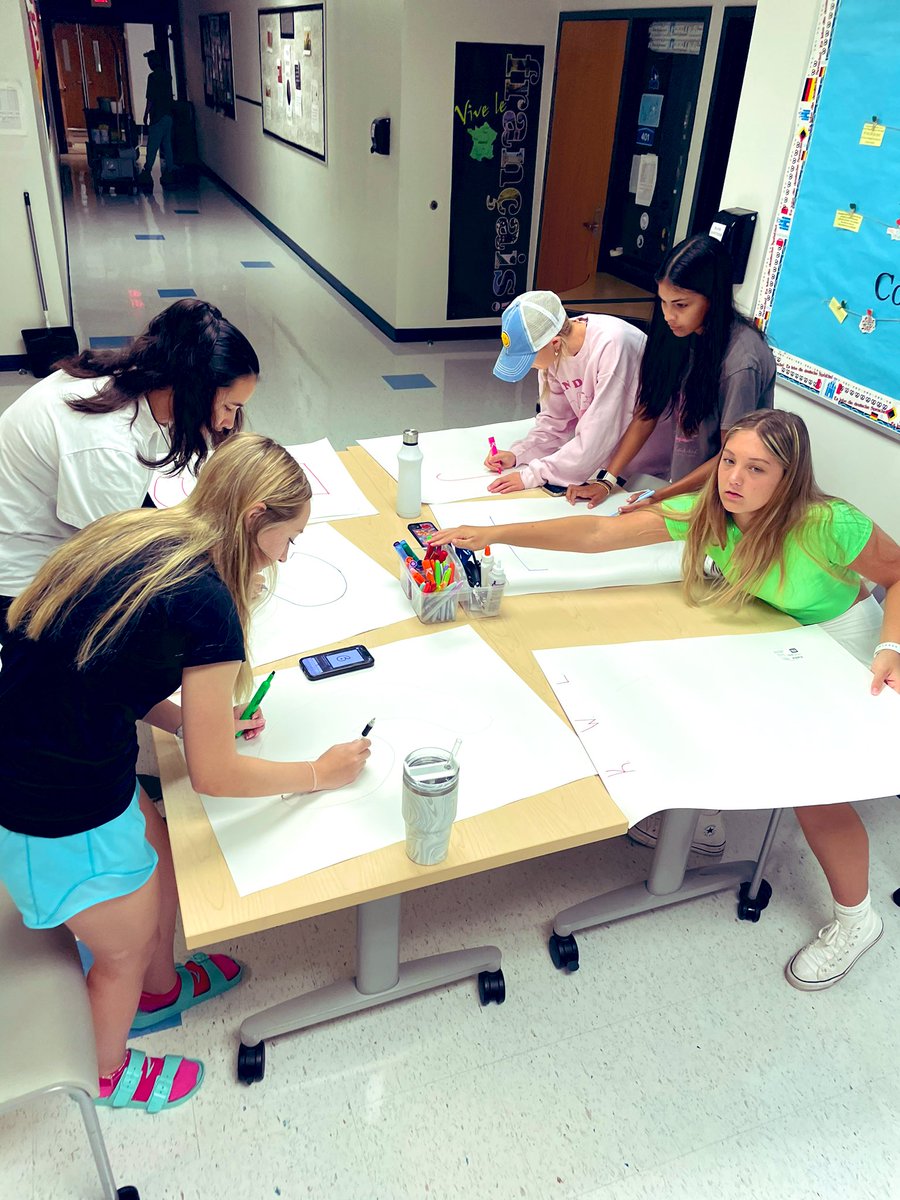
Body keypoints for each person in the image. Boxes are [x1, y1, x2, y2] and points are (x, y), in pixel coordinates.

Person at [431, 410, 900, 992]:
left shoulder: (829, 523)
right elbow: (600, 534)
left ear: (789, 477)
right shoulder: (710, 511)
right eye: (729, 460)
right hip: (786, 636)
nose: (734, 479)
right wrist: (493, 533)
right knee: (713, 697)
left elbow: (899, 573)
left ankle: (858, 920)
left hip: (848, 640)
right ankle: (704, 821)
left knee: (817, 789)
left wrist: (891, 645)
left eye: (757, 469)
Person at [0, 433, 371, 1111]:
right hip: (49, 805)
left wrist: (187, 719)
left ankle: (161, 987)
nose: (286, 556)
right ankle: (107, 1068)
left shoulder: (142, 532)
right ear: (257, 515)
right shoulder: (206, 601)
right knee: (121, 948)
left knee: (158, 852)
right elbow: (214, 775)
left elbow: (106, 664)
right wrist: (318, 772)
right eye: (287, 539)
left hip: (47, 753)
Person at [0, 298, 259, 633]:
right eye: (229, 406)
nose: (228, 422)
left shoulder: (135, 378)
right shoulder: (108, 446)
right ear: (193, 388)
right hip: (22, 585)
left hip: (58, 533)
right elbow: (112, 568)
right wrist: (224, 587)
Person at [566, 234, 775, 512]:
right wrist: (607, 480)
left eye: (681, 305)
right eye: (663, 302)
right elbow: (648, 411)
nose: (668, 316)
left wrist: (661, 495)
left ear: (713, 300)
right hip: (686, 487)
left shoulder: (740, 363)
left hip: (731, 497)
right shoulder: (680, 333)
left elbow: (733, 456)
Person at [484, 290, 673, 494]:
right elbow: (555, 423)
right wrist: (519, 453)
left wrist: (532, 475)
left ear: (554, 343)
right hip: (606, 462)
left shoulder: (612, 345)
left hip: (649, 463)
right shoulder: (556, 350)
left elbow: (599, 432)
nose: (529, 367)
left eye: (529, 360)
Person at [140, 49, 176, 187]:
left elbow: (150, 98)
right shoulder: (168, 76)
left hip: (158, 116)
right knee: (167, 145)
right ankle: (170, 172)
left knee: (152, 145)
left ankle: (146, 172)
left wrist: (145, 114)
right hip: (168, 115)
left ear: (153, 62)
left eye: (149, 60)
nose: (149, 63)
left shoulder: (152, 77)